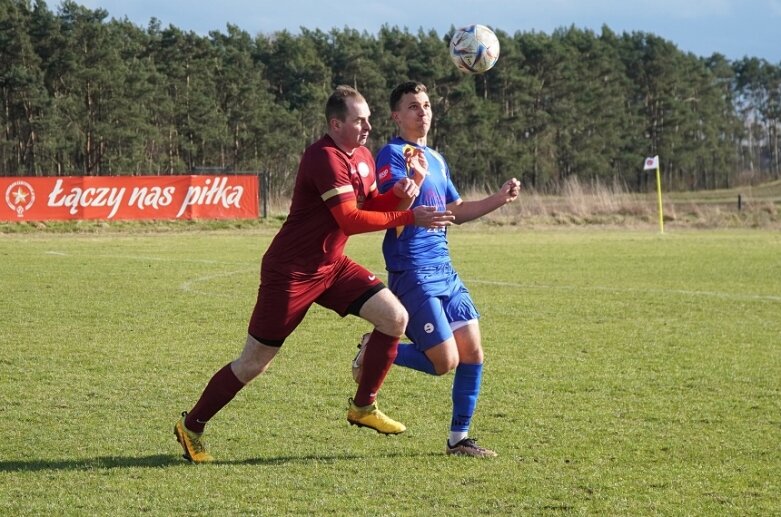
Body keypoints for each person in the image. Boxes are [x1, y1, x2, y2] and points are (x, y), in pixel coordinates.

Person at [174, 85, 454, 463]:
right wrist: (409, 214)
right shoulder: (323, 157)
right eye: (360, 120)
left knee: (394, 317)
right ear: (336, 123)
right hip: (291, 272)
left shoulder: (364, 156)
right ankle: (191, 425)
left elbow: (372, 204)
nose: (368, 126)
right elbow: (351, 220)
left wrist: (409, 187)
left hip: (331, 265)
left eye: (370, 118)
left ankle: (362, 406)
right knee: (255, 362)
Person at [352, 81, 520, 458]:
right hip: (412, 271)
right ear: (396, 116)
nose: (422, 111)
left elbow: (456, 212)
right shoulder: (391, 154)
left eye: (426, 105)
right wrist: (410, 178)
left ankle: (458, 440)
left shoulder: (438, 159)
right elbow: (389, 206)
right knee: (444, 362)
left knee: (473, 353)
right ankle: (374, 344)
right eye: (413, 106)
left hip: (446, 269)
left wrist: (499, 198)